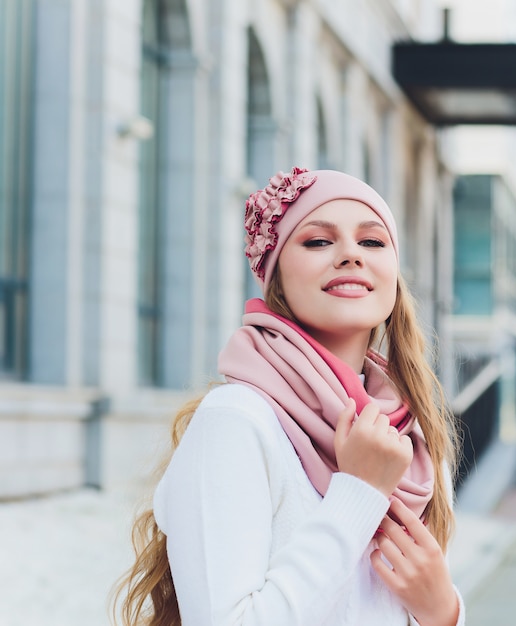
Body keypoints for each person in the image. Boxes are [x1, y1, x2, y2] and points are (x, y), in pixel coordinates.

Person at [113, 167, 465, 626]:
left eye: (373, 242)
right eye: (319, 241)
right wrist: (357, 494)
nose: (350, 256)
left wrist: (445, 613)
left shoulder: (408, 436)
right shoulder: (237, 421)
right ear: (275, 275)